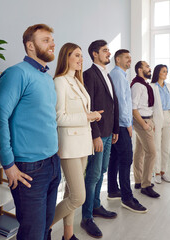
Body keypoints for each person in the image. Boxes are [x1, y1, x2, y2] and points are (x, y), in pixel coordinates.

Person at [0, 24, 61, 240]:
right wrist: (8, 164)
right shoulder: (16, 74)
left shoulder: (46, 77)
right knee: (32, 233)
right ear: (30, 46)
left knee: (45, 228)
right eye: (45, 40)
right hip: (29, 168)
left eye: (52, 39)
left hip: (52, 162)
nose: (52, 44)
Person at [51, 43, 102, 240]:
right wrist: (89, 117)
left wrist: (91, 116)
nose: (81, 59)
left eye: (82, 56)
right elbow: (59, 118)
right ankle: (43, 227)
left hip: (83, 145)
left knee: (70, 193)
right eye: (77, 55)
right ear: (66, 57)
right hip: (69, 146)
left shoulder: (78, 82)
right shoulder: (60, 82)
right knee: (78, 197)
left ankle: (68, 235)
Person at [81, 40, 119, 239]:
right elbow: (90, 107)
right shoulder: (89, 74)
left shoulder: (106, 73)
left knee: (102, 171)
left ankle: (96, 206)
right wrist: (95, 134)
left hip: (108, 132)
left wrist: (115, 128)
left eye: (108, 50)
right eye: (105, 51)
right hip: (97, 133)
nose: (108, 53)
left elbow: (114, 103)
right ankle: (86, 216)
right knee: (93, 174)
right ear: (95, 54)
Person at [107, 49, 147, 213]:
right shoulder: (117, 75)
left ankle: (112, 190)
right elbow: (120, 102)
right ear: (118, 59)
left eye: (131, 57)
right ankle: (127, 197)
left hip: (120, 124)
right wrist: (127, 123)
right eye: (126, 57)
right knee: (126, 159)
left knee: (115, 158)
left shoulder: (121, 75)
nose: (130, 60)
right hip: (122, 125)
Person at [131, 61, 160, 198]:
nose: (150, 69)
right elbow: (133, 108)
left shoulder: (144, 85)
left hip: (147, 119)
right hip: (142, 120)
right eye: (147, 67)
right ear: (139, 69)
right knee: (152, 153)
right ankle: (146, 185)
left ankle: (138, 181)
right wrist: (144, 124)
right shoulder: (137, 85)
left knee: (140, 151)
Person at [151, 64, 170, 184]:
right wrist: (151, 121)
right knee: (156, 146)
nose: (166, 74)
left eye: (166, 72)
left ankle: (163, 171)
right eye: (163, 71)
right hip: (157, 117)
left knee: (166, 147)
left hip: (169, 117)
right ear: (157, 73)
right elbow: (149, 105)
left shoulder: (169, 86)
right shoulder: (151, 87)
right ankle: (156, 172)